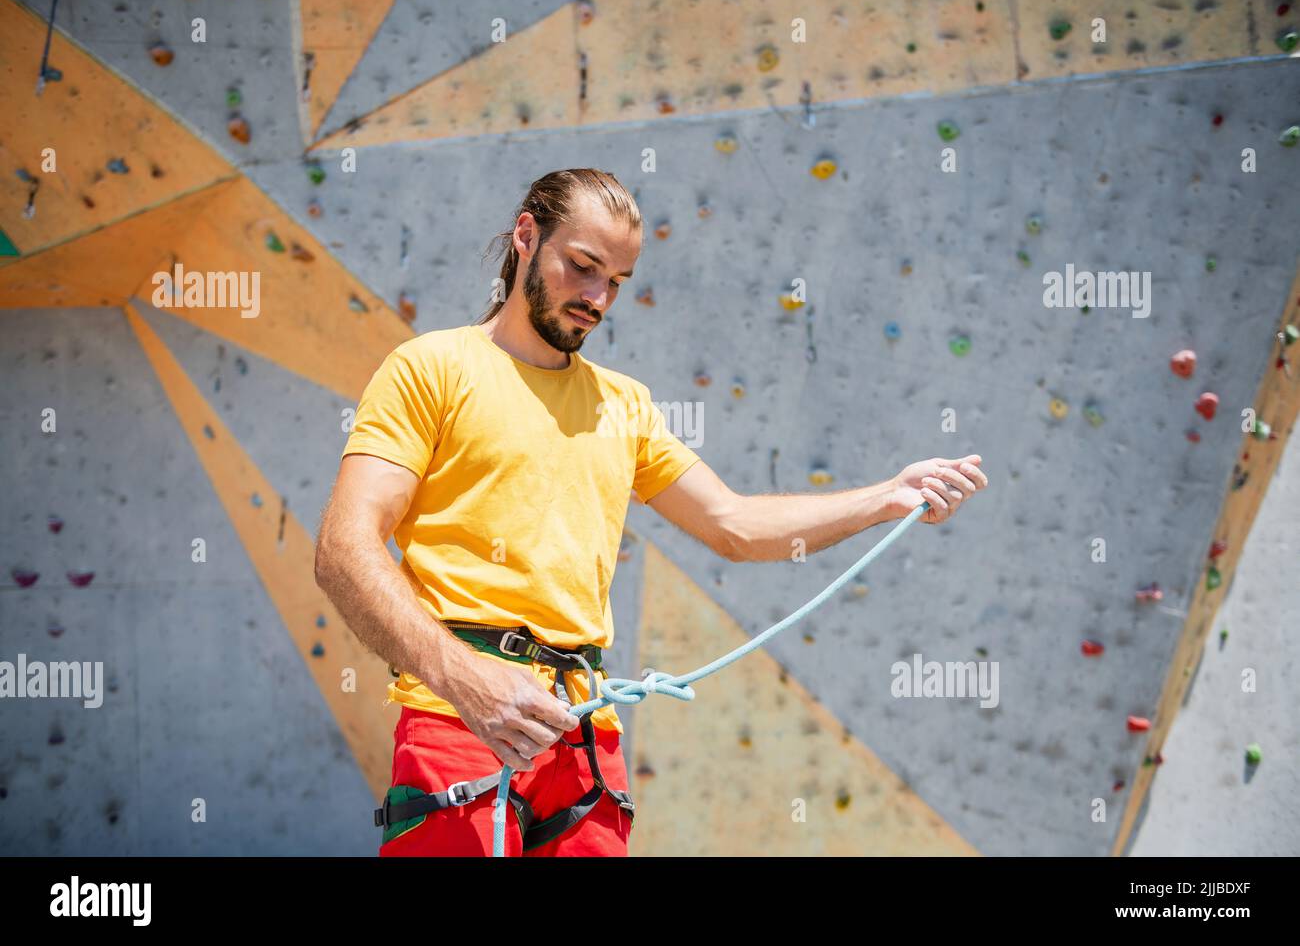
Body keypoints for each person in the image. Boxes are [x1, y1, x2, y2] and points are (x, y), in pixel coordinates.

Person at [313, 168, 988, 856]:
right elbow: (344, 548)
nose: (598, 298)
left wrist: (887, 497)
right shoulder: (431, 369)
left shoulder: (624, 405)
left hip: (584, 738)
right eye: (583, 267)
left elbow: (733, 524)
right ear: (526, 236)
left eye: (618, 282)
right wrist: (466, 679)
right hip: (459, 721)